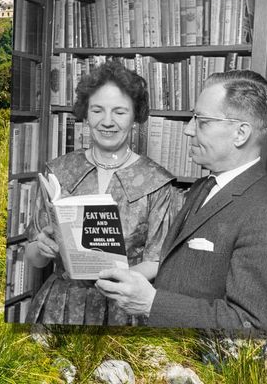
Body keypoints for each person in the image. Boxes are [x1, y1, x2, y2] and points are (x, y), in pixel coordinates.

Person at [95, 69, 267, 332]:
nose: (188, 130)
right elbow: (180, 269)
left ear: (241, 133)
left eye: (202, 121)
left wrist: (152, 303)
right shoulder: (202, 187)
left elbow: (253, 326)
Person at [23, 59, 181, 325]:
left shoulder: (157, 182)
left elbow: (156, 261)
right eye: (98, 110)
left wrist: (111, 277)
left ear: (135, 117)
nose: (107, 122)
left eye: (120, 112)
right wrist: (42, 247)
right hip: (60, 308)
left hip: (123, 308)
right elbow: (33, 258)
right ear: (86, 113)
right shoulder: (58, 171)